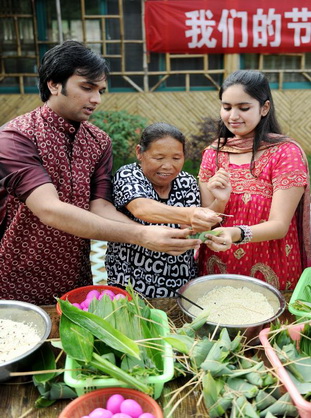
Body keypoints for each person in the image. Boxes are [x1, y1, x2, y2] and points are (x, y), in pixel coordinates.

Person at [0, 41, 203, 305]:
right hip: (17, 273)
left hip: (75, 273)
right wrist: (142, 235)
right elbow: (48, 209)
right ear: (53, 84)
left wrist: (151, 234)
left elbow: (100, 206)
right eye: (86, 87)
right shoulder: (16, 137)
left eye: (100, 90)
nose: (96, 99)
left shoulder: (98, 141)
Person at [196, 69, 311, 290]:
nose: (233, 116)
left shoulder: (285, 153)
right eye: (226, 107)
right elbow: (207, 219)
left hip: (272, 262)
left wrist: (236, 233)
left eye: (244, 108)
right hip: (219, 261)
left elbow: (279, 225)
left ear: (264, 108)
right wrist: (219, 201)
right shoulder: (214, 153)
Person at [105, 122, 222, 297]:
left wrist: (220, 200)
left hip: (179, 280)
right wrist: (191, 214)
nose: (168, 166)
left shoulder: (187, 182)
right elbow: (141, 208)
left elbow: (195, 229)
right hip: (131, 280)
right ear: (140, 153)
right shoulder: (128, 175)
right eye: (159, 158)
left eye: (176, 158)